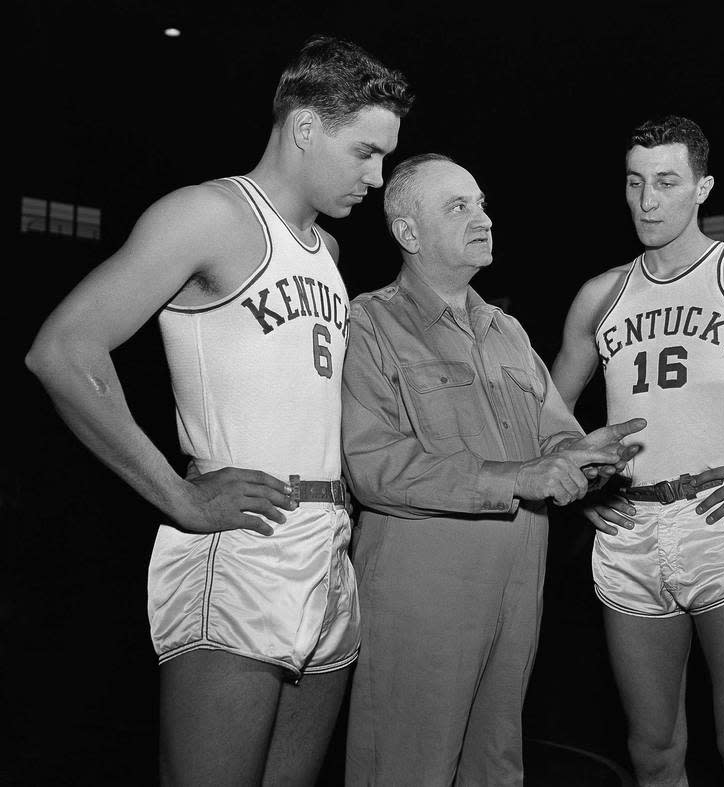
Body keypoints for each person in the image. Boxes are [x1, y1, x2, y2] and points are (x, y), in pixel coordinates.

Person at [24, 35, 412, 785]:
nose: (378, 175)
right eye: (366, 152)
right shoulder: (208, 213)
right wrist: (177, 493)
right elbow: (64, 351)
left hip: (326, 546)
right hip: (242, 542)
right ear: (305, 128)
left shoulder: (327, 251)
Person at [340, 153, 645, 786]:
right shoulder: (368, 324)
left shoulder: (507, 331)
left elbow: (554, 435)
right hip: (422, 592)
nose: (482, 217)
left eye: (480, 203)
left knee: (497, 768)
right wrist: (521, 477)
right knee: (407, 770)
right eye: (458, 206)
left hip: (518, 588)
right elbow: (372, 466)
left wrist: (585, 463)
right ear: (408, 232)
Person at [552, 116, 724, 786]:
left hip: (723, 522)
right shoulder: (602, 295)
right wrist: (579, 484)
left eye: (666, 181)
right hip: (630, 530)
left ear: (703, 187)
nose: (648, 199)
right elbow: (545, 419)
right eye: (635, 182)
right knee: (652, 751)